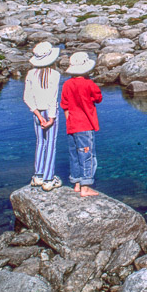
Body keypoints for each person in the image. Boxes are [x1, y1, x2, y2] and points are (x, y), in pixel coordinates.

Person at [60, 51, 103, 197]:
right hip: (85, 125)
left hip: (71, 125)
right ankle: (85, 187)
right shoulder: (89, 84)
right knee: (87, 155)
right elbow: (98, 98)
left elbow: (64, 105)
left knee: (74, 154)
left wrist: (69, 121)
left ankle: (76, 183)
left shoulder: (66, 84)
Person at [22, 41, 62, 192]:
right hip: (50, 113)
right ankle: (48, 178)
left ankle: (38, 175)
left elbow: (27, 97)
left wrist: (38, 115)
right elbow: (53, 98)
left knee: (40, 143)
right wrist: (51, 118)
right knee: (51, 144)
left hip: (37, 113)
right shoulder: (55, 75)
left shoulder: (30, 74)